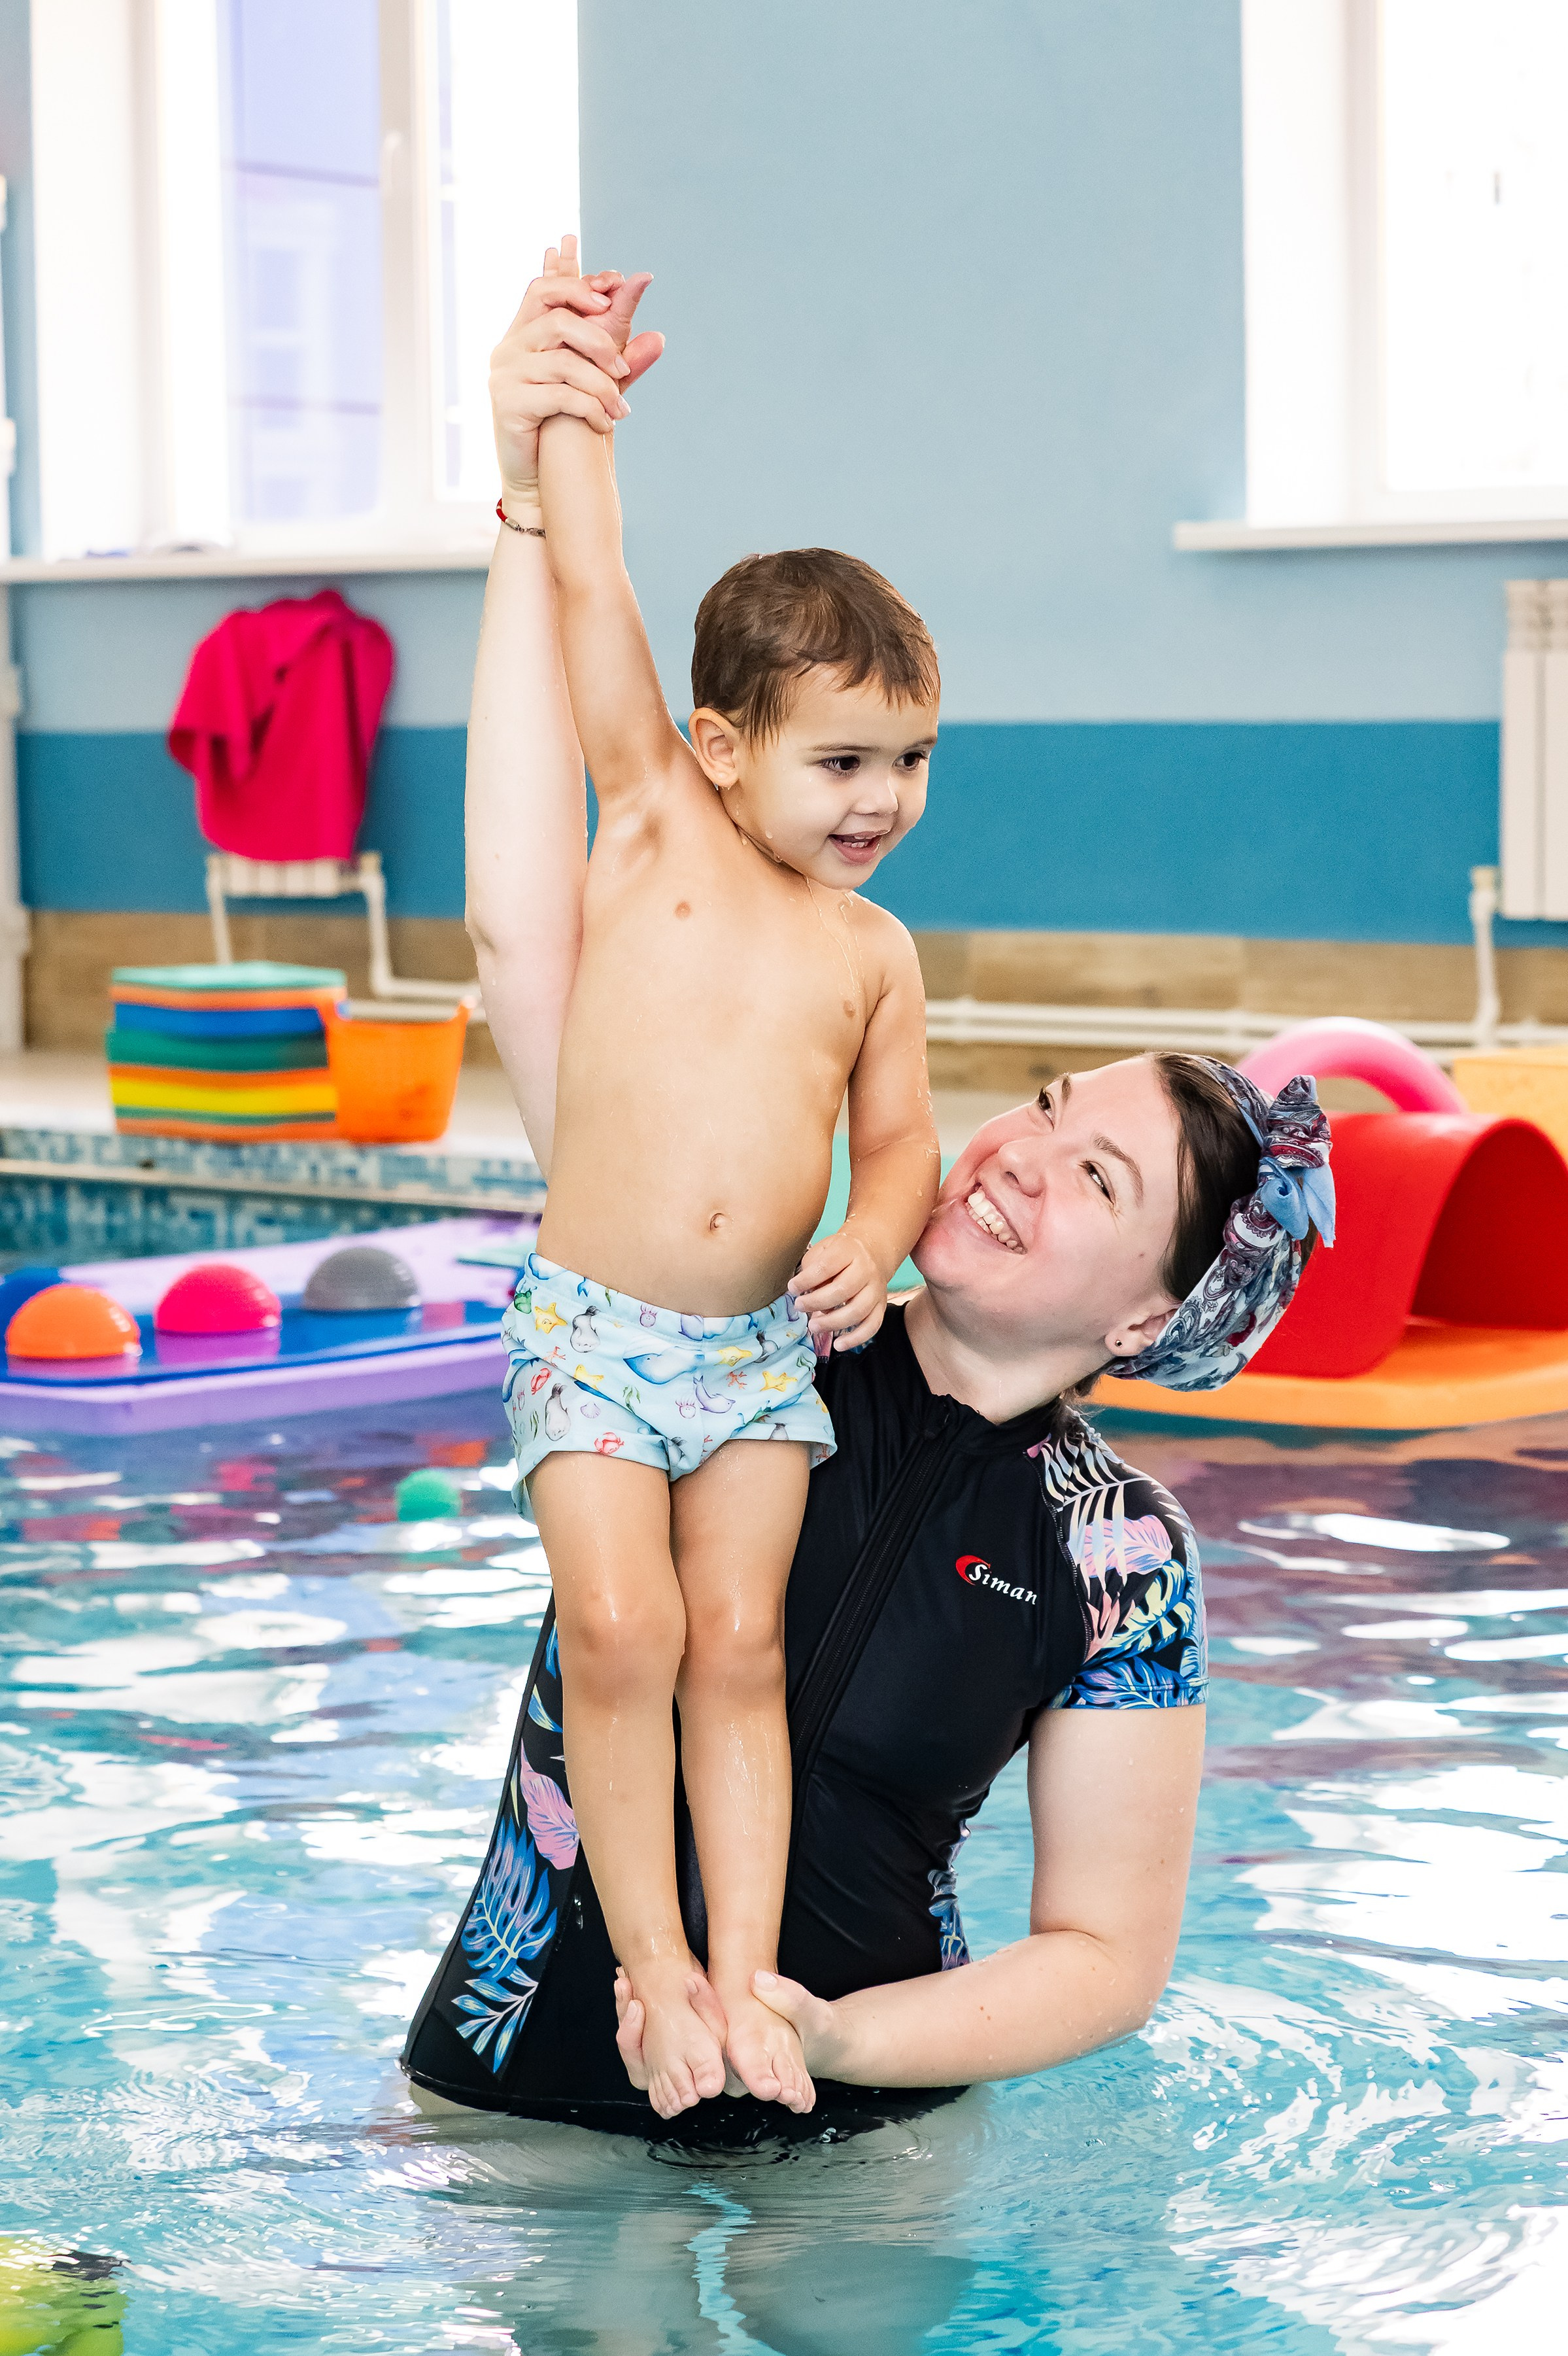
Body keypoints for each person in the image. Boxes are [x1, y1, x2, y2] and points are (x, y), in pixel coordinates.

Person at [401, 247, 1335, 2143]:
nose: (1016, 1150)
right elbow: (518, 909)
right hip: (518, 2107)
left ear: (1154, 1310)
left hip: (846, 2130)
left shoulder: (1119, 1557)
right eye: (1046, 1104)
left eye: (1095, 1174)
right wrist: (530, 486)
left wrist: (825, 2042)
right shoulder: (737, 1299)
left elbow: (1106, 1959)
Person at [495, 239, 943, 2119]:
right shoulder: (654, 825)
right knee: (625, 1631)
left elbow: (901, 1140)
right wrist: (574, 412)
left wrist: (875, 1233)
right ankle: (651, 1970)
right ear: (720, 744)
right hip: (599, 1332)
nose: (880, 798)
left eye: (912, 759)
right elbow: (591, 583)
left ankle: (748, 1976)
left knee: (741, 1645)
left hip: (759, 1350)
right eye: (843, 759)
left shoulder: (876, 952)